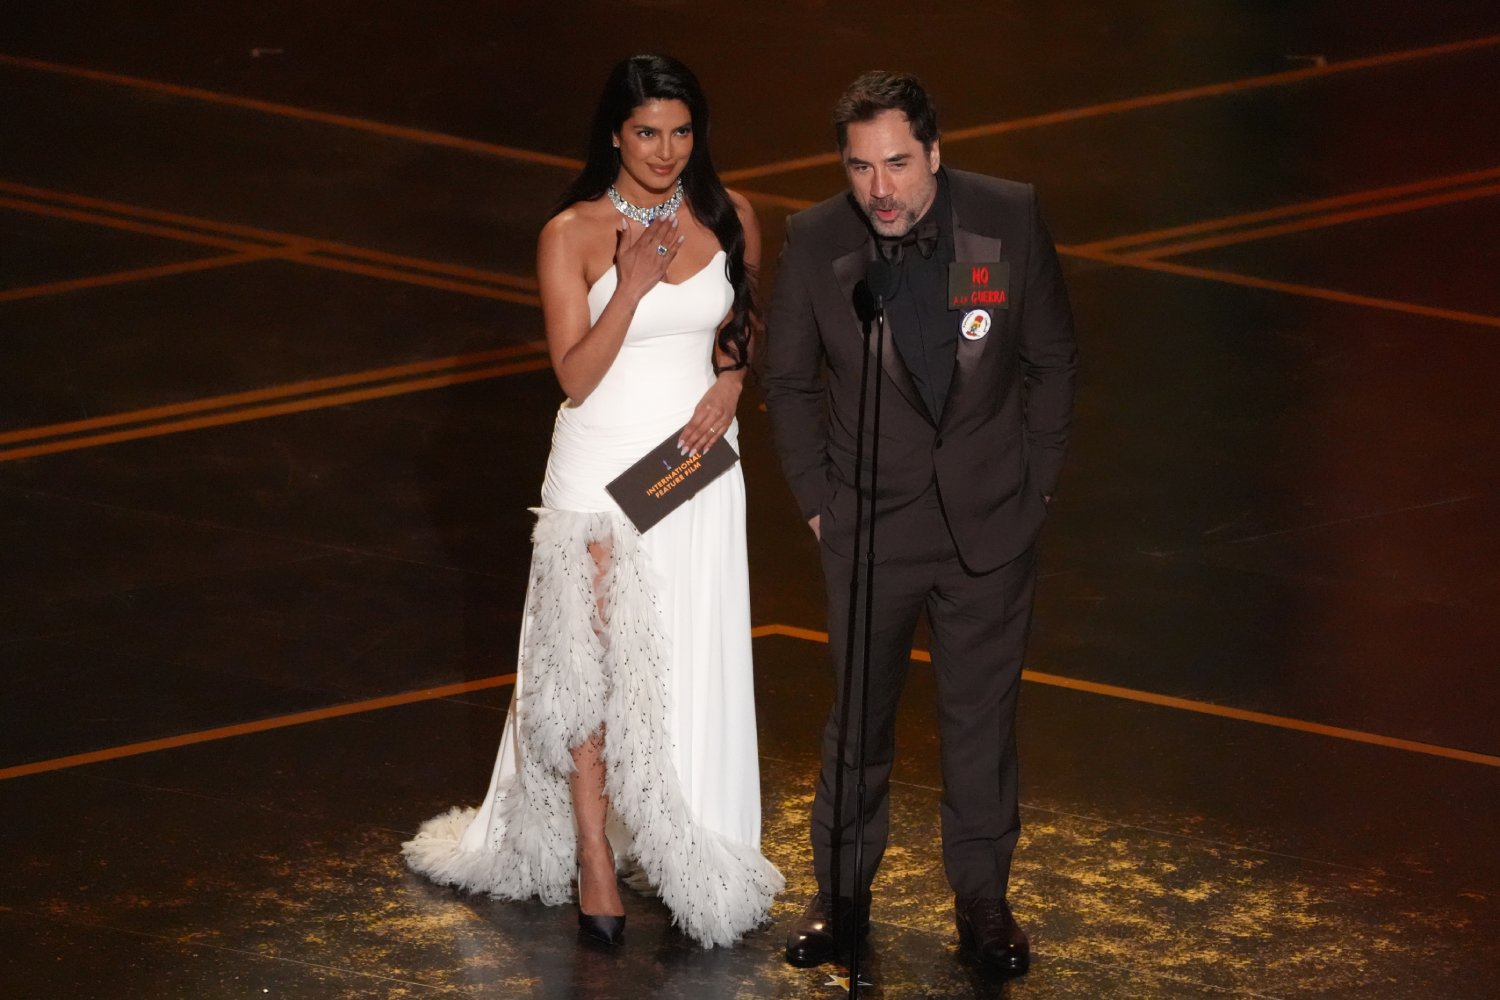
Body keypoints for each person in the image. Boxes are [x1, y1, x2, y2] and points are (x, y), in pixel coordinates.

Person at [403, 53, 782, 949]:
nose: (665, 150)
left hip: (697, 468)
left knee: (684, 658)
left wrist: (734, 381)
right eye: (647, 131)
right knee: (592, 670)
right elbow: (574, 374)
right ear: (615, 133)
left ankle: (682, 836)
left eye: (681, 132)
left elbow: (742, 319)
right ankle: (593, 859)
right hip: (606, 473)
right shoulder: (570, 233)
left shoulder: (731, 216)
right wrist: (637, 284)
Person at [761, 70, 1077, 974]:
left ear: (935, 153)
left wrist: (1036, 488)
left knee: (981, 724)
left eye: (898, 163)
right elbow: (787, 381)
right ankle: (843, 901)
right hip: (869, 531)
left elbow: (1054, 361)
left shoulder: (1007, 219)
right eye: (860, 168)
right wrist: (820, 504)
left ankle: (983, 907)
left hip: (989, 526)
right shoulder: (817, 239)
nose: (880, 189)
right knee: (857, 724)